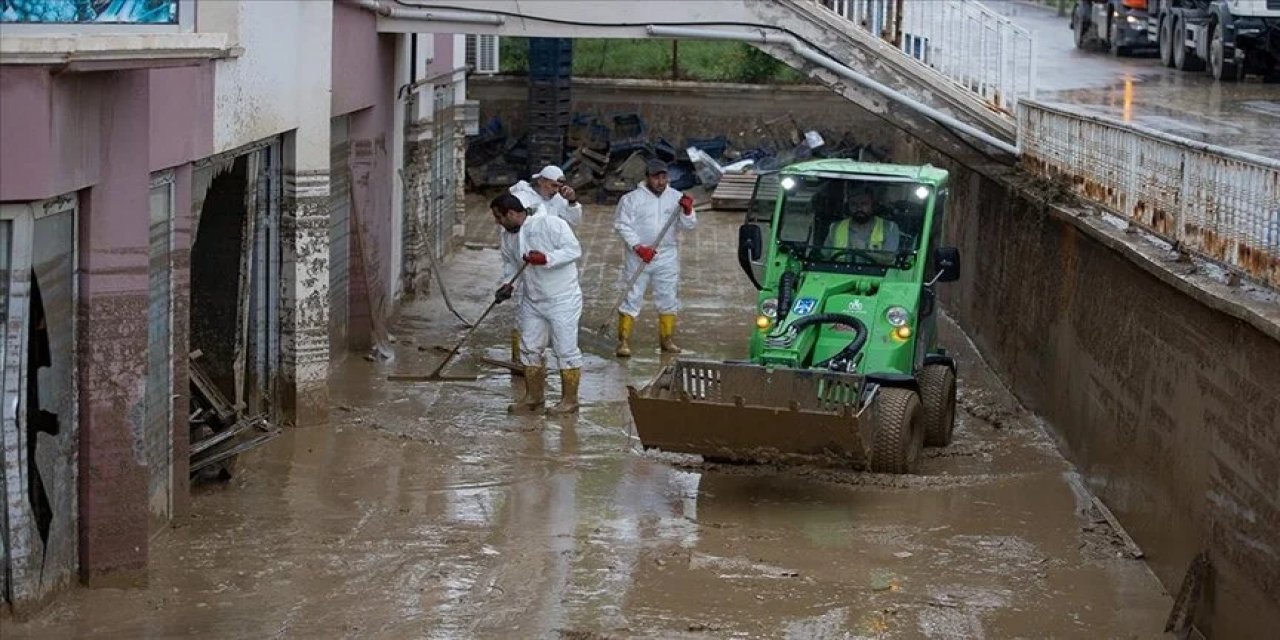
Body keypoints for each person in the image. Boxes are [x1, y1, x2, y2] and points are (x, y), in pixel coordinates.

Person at [490, 193, 585, 415]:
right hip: (532, 299)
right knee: (530, 347)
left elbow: (574, 250)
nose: (497, 222)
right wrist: (508, 285)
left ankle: (570, 401)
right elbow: (511, 264)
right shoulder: (508, 236)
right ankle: (533, 397)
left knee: (565, 348)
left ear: (512, 214)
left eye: (499, 217)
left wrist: (546, 258)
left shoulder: (551, 223)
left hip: (562, 298)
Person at [612, 159, 697, 357]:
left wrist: (687, 211)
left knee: (668, 296)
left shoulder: (675, 197)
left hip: (666, 254)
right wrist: (638, 247)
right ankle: (623, 341)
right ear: (647, 177)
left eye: (663, 177)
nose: (660, 181)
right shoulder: (631, 199)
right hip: (639, 256)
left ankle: (666, 339)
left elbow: (690, 226)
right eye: (656, 177)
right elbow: (622, 225)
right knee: (631, 295)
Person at [505, 165, 582, 362]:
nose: (555, 190)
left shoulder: (556, 202)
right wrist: (508, 283)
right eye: (552, 185)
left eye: (558, 186)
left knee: (564, 344)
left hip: (550, 257)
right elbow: (511, 245)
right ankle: (520, 358)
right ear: (540, 181)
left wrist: (572, 202)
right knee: (524, 318)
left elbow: (573, 223)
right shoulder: (523, 197)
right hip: (526, 262)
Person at [827, 185, 901, 252]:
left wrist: (864, 251)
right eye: (854, 204)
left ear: (873, 205)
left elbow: (889, 259)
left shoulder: (889, 228)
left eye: (864, 204)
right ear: (848, 206)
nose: (859, 208)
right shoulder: (835, 228)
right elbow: (825, 258)